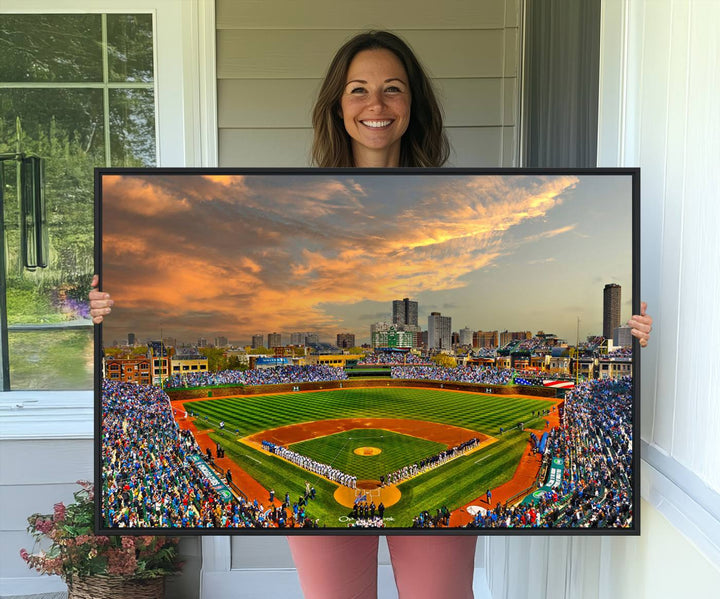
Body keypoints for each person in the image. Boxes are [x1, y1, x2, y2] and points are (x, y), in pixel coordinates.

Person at [89, 29, 654, 599]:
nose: (375, 105)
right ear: (338, 104)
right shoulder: (298, 196)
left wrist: (630, 339)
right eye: (358, 89)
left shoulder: (456, 199)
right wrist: (106, 308)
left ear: (413, 105)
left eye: (393, 89)